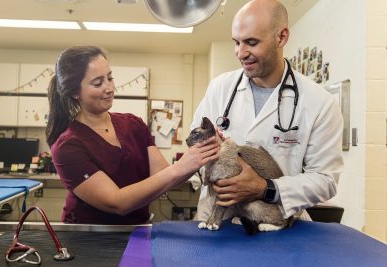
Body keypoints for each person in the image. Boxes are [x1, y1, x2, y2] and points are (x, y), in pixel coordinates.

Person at [191, 0, 344, 221]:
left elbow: (325, 180)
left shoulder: (319, 103)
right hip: (217, 221)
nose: (241, 53)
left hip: (275, 224)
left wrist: (266, 188)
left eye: (251, 42)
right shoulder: (219, 88)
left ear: (281, 37)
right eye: (237, 42)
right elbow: (196, 152)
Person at [46, 45, 219, 225]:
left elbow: (164, 176)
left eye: (110, 78)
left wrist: (202, 154)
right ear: (74, 92)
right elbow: (116, 202)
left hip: (137, 229)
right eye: (98, 83)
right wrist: (181, 167)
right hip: (89, 239)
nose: (109, 88)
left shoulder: (133, 125)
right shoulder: (68, 145)